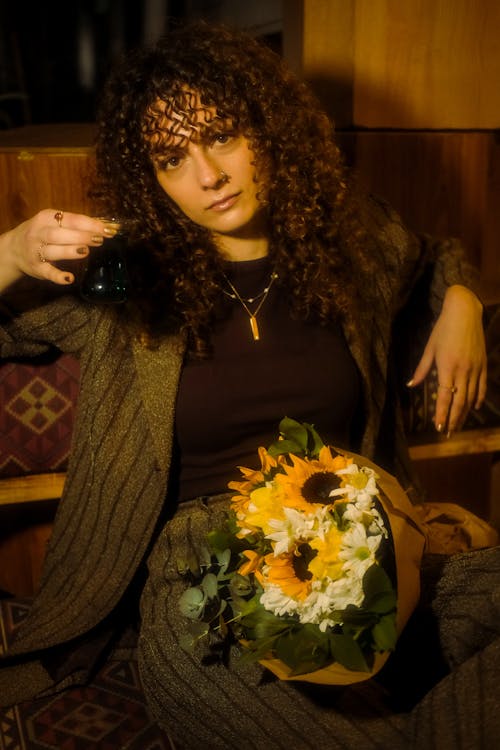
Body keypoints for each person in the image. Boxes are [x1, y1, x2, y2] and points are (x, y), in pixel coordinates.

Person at [0, 20, 498, 750]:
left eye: (223, 136)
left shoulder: (349, 247)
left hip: (367, 545)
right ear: (152, 178)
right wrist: (10, 249)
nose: (209, 176)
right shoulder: (129, 281)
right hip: (207, 580)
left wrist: (462, 303)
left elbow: (433, 252)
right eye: (173, 158)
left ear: (269, 129)